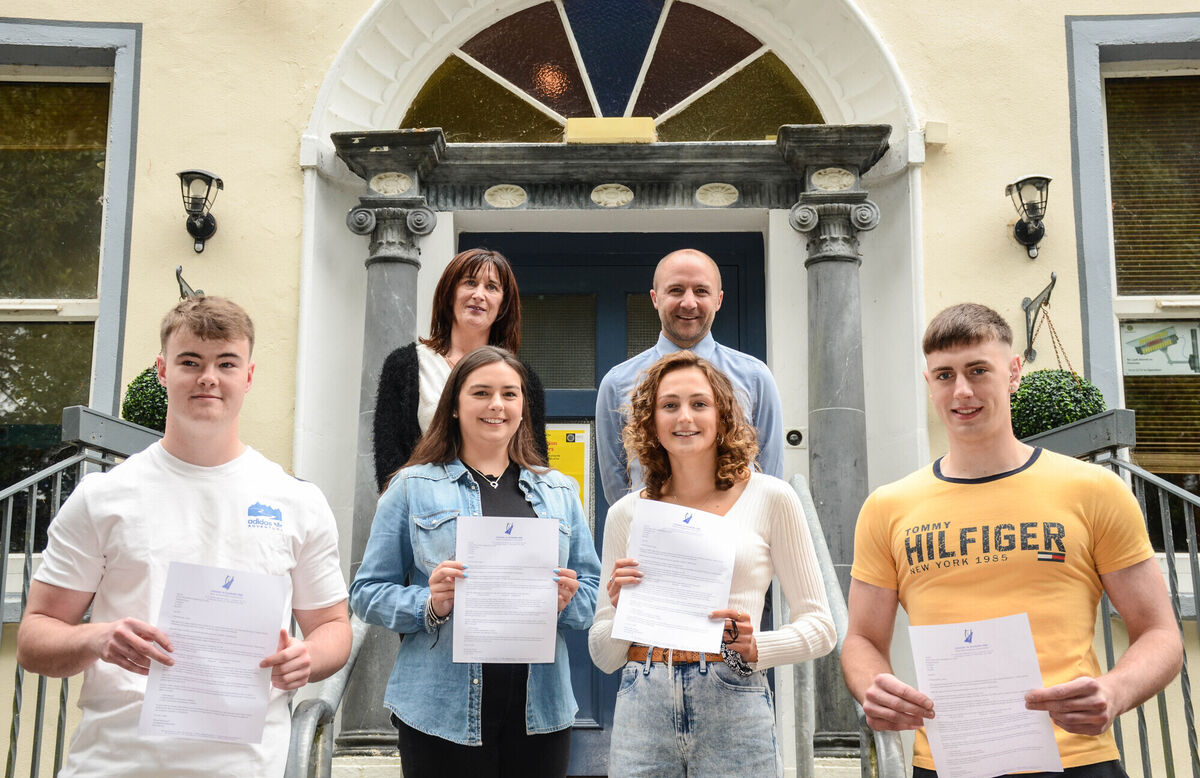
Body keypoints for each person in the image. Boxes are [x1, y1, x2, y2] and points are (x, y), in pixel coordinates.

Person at [842, 303, 1182, 777]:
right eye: (944, 375)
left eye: (978, 370)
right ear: (929, 383)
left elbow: (1162, 634)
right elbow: (861, 638)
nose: (961, 391)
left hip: (1074, 757)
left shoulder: (1093, 490)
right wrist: (873, 686)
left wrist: (1115, 690)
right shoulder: (888, 506)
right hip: (947, 759)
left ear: (1014, 372)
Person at [16, 296, 351, 777]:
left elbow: (333, 628)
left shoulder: (296, 501)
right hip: (116, 763)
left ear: (249, 376)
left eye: (226, 363)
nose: (208, 377)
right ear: (162, 370)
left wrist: (308, 657)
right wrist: (98, 637)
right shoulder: (103, 496)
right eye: (190, 361)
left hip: (246, 766)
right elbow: (34, 638)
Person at [350, 346, 600, 778]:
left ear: (524, 407)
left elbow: (594, 596)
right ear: (453, 405)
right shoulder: (411, 486)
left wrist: (566, 599)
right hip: (439, 712)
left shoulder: (559, 491)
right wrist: (430, 603)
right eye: (481, 393)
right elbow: (366, 593)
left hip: (540, 712)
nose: (496, 405)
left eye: (510, 394)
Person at [589, 351, 834, 777]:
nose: (684, 417)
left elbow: (821, 628)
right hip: (642, 700)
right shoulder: (627, 513)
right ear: (650, 421)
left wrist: (759, 648)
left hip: (733, 696)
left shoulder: (772, 497)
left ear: (723, 416)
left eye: (699, 404)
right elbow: (604, 656)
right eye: (669, 405)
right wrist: (621, 614)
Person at [595, 248, 784, 505]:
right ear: (655, 298)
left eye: (701, 291)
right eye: (675, 290)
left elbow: (769, 474)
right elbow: (616, 484)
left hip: (734, 535)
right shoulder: (617, 384)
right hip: (653, 532)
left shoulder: (755, 377)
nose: (688, 302)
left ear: (718, 300)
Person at [373, 247, 547, 492]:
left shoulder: (522, 378)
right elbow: (389, 461)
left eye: (491, 287)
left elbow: (533, 461)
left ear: (503, 305)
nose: (479, 295)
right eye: (470, 283)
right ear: (449, 293)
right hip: (427, 512)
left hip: (498, 517)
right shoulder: (405, 366)